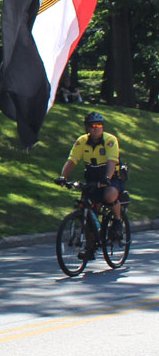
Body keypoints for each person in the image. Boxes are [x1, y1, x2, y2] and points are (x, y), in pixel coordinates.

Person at [56, 111, 124, 260]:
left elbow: (112, 162)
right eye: (92, 126)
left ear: (103, 127)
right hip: (92, 178)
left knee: (109, 195)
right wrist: (63, 177)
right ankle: (90, 247)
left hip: (111, 176)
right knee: (89, 211)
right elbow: (72, 160)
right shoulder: (82, 141)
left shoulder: (110, 140)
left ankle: (118, 221)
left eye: (99, 125)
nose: (95, 128)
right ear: (87, 128)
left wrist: (107, 178)